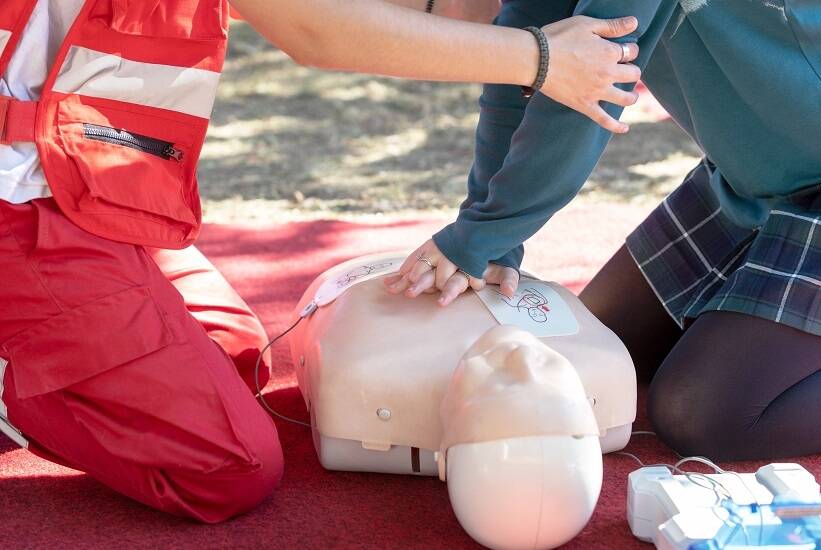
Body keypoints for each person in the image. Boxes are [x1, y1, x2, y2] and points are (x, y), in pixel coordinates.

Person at [0, 0, 641, 522]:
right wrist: (543, 58)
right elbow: (312, 27)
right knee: (227, 467)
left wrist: (443, 10)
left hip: (82, 193)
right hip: (17, 205)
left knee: (235, 352)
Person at [387, 0, 821, 461]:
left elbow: (592, 83)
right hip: (758, 179)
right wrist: (493, 234)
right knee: (598, 353)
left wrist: (481, 234)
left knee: (702, 412)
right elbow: (526, 69)